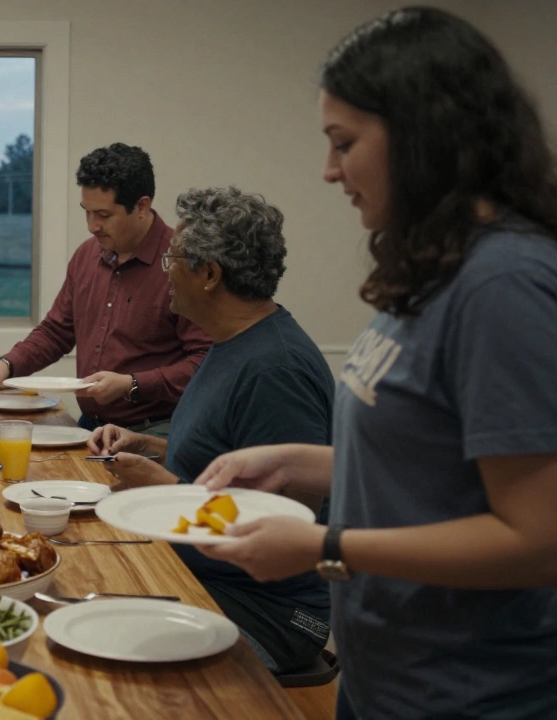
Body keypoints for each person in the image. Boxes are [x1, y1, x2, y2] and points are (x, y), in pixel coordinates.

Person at [194, 8, 557, 719]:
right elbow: (439, 462)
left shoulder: (504, 284)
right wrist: (298, 462)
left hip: (472, 695)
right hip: (385, 681)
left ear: (424, 135)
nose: (329, 172)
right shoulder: (431, 270)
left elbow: (537, 538)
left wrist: (326, 547)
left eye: (344, 143)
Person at [87, 187, 334, 673]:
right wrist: (151, 447)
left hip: (268, 613)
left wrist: (164, 488)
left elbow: (287, 523)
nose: (164, 273)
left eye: (172, 260)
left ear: (209, 274)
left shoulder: (276, 369)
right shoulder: (231, 343)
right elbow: (227, 465)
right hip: (204, 580)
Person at [0, 143, 210, 439]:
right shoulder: (87, 256)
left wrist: (133, 384)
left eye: (104, 215)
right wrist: (8, 364)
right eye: (86, 212)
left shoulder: (181, 262)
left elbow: (205, 362)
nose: (92, 226)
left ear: (142, 206)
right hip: (90, 426)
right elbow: (57, 331)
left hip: (157, 431)